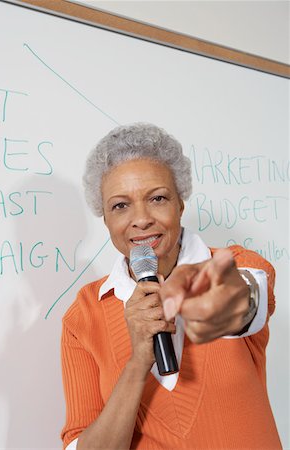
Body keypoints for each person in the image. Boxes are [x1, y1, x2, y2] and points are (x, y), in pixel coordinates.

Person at [61, 123, 281, 449]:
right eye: (120, 205)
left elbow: (245, 303)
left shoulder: (235, 263)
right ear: (105, 219)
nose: (141, 219)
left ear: (180, 203)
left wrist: (188, 284)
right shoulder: (84, 314)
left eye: (158, 198)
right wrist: (137, 362)